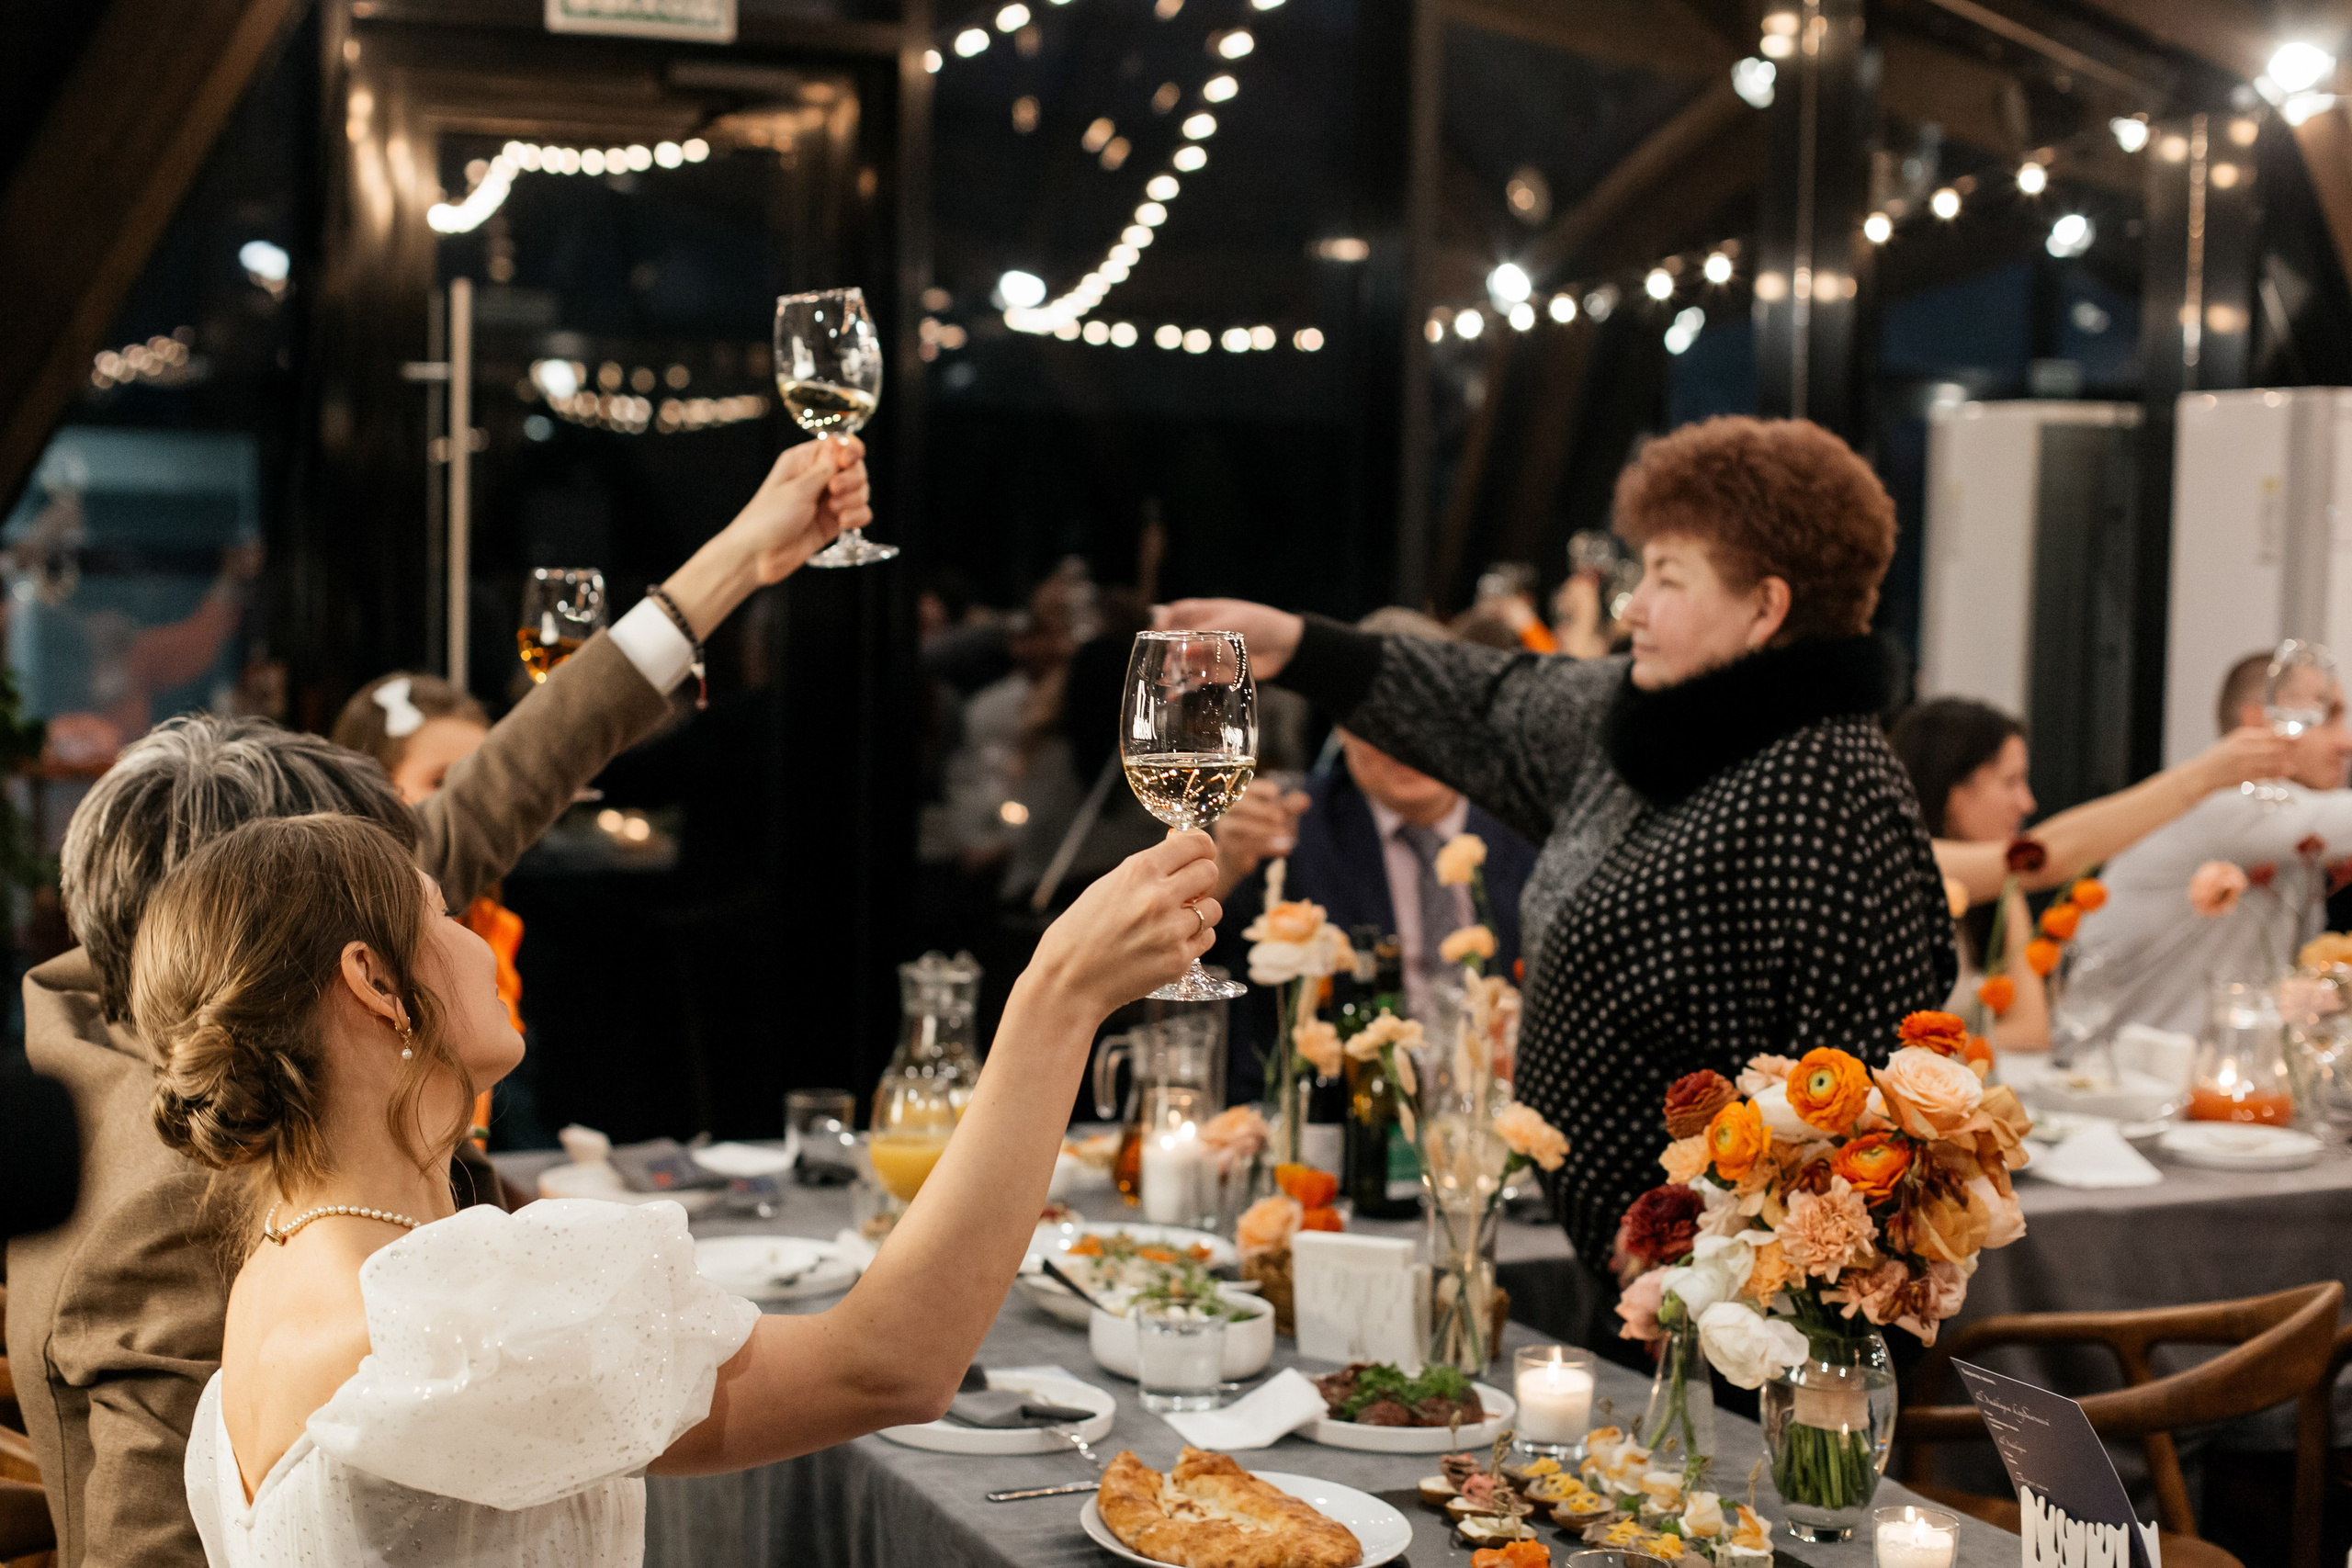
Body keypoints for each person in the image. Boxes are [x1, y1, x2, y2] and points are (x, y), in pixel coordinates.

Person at [6, 436, 870, 1568]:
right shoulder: (170, 1198)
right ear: (268, 926)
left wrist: (735, 560)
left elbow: (503, 786)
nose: (441, 899)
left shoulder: (184, 1000)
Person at [133, 814, 1215, 1565]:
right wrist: (1058, 998)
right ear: (375, 984)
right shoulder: (434, 1317)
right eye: (446, 916)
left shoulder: (276, 1270)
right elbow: (890, 1368)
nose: (481, 944)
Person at [1161, 415, 1956, 1281]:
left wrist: (1718, 1281)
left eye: (1666, 577)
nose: (1633, 608)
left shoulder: (1832, 792)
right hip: (1610, 1274)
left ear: (1766, 607)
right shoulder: (1642, 716)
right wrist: (1298, 646)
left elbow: (1861, 1126)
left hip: (1725, 1315)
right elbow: (1488, 698)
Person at [1211, 612, 1539, 1080]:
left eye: (1431, 714)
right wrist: (1223, 869)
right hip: (1348, 1119)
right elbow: (1188, 970)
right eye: (1380, 719)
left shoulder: (1528, 827)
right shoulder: (1290, 827)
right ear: (1341, 727)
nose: (1407, 741)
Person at [1889, 697, 2285, 1049]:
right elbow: (2048, 856)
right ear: (1952, 793)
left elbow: (2032, 1031)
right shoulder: (1903, 862)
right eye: (2010, 782)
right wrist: (2202, 777)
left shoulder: (2000, 891)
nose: (2027, 803)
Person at [2066, 650, 2352, 1038]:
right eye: (2326, 716)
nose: (2346, 742)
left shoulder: (2291, 836)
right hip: (2117, 1082)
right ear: (2259, 724)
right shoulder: (2227, 804)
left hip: (2218, 1079)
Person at [332, 673, 517, 1145]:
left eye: (485, 781)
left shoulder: (493, 922)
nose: (474, 805)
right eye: (441, 781)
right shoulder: (372, 942)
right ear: (375, 795)